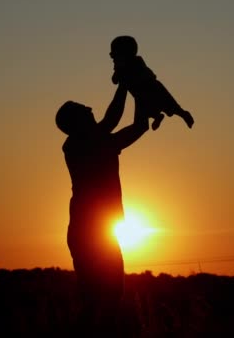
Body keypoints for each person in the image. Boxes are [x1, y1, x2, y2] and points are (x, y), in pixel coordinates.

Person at [55, 83, 149, 335]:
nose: (89, 107)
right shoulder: (80, 145)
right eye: (82, 108)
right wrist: (128, 84)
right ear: (76, 123)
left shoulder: (95, 141)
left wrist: (136, 92)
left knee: (107, 298)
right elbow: (114, 119)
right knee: (100, 299)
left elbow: (138, 126)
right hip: (90, 233)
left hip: (97, 232)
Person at [110, 35, 195, 131]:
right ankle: (159, 116)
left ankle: (182, 114)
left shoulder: (134, 63)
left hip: (150, 89)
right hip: (141, 95)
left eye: (114, 55)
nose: (113, 59)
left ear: (124, 54)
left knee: (168, 104)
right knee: (144, 116)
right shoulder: (122, 68)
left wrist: (121, 73)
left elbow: (123, 78)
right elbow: (115, 80)